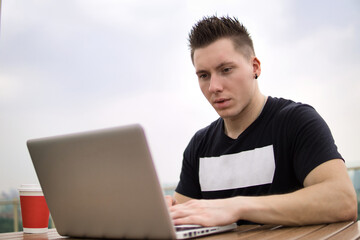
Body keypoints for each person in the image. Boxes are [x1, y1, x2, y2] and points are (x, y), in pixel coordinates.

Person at [166, 15, 358, 226]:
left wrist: (237, 207)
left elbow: (343, 200)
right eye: (204, 75)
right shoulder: (199, 145)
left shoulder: (296, 121)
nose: (214, 86)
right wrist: (167, 211)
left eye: (226, 70)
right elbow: (183, 217)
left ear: (255, 67)